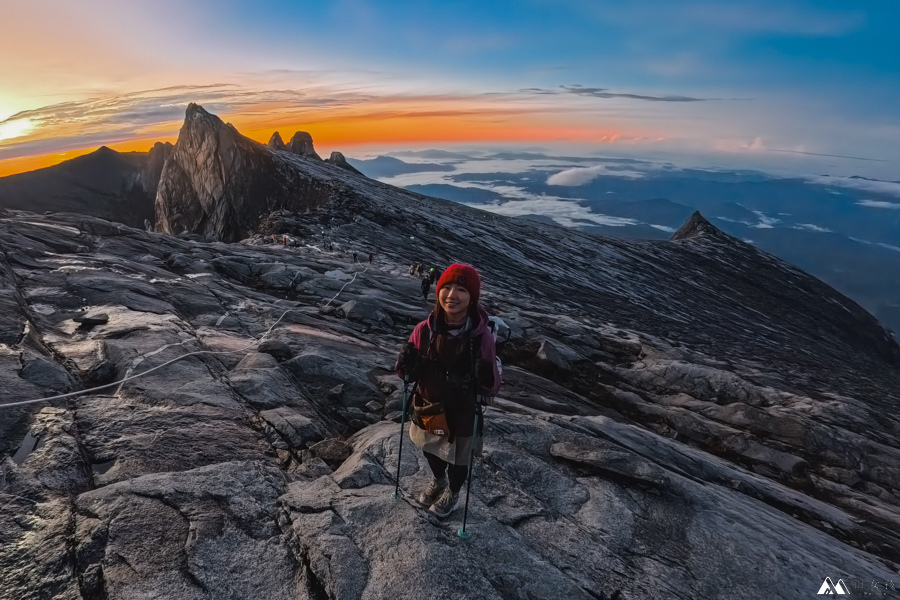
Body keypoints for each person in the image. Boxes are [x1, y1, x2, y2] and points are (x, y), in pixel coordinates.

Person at [396, 264, 501, 518]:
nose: (452, 295)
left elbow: (491, 387)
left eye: (461, 289)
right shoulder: (424, 329)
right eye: (446, 287)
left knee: (458, 460)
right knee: (430, 448)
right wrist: (405, 365)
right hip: (428, 405)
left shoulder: (482, 337)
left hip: (461, 411)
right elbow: (405, 374)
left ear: (472, 297)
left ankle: (452, 492)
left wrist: (485, 377)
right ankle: (438, 481)